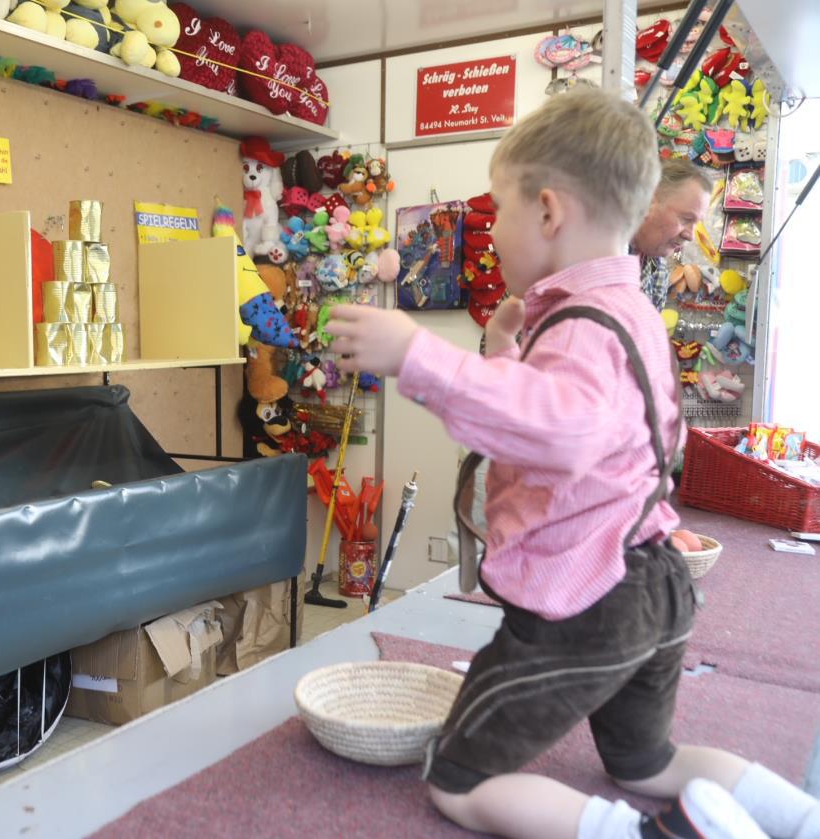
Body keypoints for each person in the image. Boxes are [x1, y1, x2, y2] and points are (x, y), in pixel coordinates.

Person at [326, 90, 819, 839]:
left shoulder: (583, 326)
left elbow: (557, 433)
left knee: (459, 782)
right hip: (653, 582)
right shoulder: (628, 312)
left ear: (549, 212)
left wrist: (417, 355)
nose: (491, 231)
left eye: (498, 209)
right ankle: (796, 818)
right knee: (645, 763)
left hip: (587, 605)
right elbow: (584, 423)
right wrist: (504, 353)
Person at [631, 158, 713, 310]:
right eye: (686, 219)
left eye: (696, 223)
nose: (690, 236)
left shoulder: (658, 270)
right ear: (649, 201)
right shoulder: (600, 255)